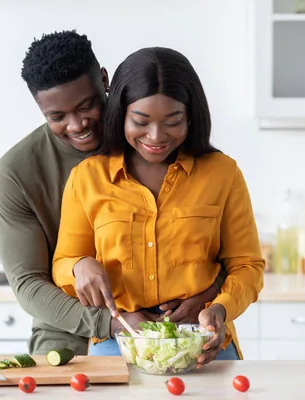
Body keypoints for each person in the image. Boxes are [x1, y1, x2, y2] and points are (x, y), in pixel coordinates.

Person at [0, 31, 226, 356]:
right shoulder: (16, 173)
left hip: (171, 320)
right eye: (56, 117)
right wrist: (112, 322)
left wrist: (209, 292)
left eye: (86, 106)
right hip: (67, 325)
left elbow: (224, 247)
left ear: (104, 79)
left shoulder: (155, 136)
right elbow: (29, 284)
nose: (77, 125)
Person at [52, 46, 265, 364]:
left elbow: (248, 266)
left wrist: (218, 308)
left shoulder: (223, 173)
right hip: (121, 340)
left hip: (201, 339)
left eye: (172, 121)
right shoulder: (87, 178)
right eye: (140, 121)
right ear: (121, 113)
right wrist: (78, 266)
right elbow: (62, 263)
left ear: (190, 117)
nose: (156, 136)